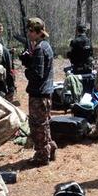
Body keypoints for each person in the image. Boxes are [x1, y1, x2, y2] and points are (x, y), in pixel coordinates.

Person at [20, 17, 57, 165]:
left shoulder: (41, 48)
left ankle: (42, 156)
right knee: (45, 123)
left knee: (38, 126)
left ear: (36, 32)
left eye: (30, 31)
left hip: (39, 94)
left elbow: (37, 74)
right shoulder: (44, 46)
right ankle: (50, 148)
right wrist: (29, 60)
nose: (28, 34)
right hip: (45, 93)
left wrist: (27, 68)